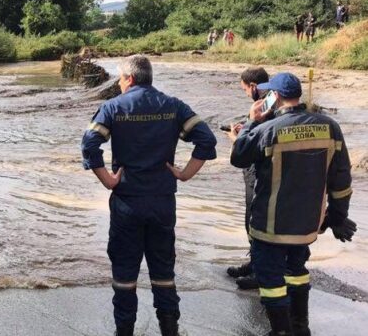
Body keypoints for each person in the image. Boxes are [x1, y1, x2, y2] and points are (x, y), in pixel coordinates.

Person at [81, 55, 217, 336]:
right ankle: (169, 330)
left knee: (124, 273)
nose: (119, 83)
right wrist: (185, 173)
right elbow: (206, 140)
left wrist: (107, 179)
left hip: (127, 202)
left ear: (129, 78)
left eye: (120, 78)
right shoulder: (173, 106)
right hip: (162, 201)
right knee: (163, 271)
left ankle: (124, 331)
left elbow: (90, 144)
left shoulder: (113, 108)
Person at [230, 72, 356, 335]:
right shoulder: (329, 126)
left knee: (271, 279)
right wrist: (337, 216)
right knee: (296, 270)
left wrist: (252, 124)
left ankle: (281, 330)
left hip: (271, 225)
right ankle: (301, 326)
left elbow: (239, 157)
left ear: (274, 96)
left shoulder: (267, 130)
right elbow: (341, 178)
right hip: (307, 225)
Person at [225, 67, 270, 291]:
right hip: (260, 170)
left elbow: (248, 148)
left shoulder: (262, 104)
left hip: (258, 171)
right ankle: (255, 263)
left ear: (253, 86)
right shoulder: (270, 101)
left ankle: (259, 271)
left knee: (254, 219)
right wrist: (247, 128)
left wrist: (237, 138)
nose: (245, 93)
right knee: (253, 218)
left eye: (244, 89)